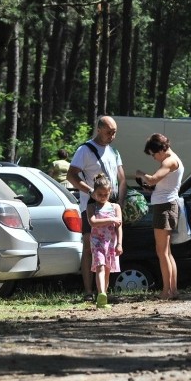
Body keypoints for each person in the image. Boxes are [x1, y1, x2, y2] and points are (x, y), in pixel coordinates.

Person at [67, 116, 127, 302]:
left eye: (115, 132)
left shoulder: (114, 152)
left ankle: (103, 291)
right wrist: (91, 191)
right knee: (89, 248)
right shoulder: (84, 150)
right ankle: (88, 291)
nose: (112, 135)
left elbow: (122, 179)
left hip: (111, 207)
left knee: (110, 248)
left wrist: (121, 203)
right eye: (109, 132)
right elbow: (71, 175)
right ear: (99, 129)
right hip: (90, 207)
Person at [134, 133, 184, 300]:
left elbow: (154, 179)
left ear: (161, 150)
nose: (154, 158)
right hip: (167, 204)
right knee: (167, 252)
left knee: (161, 252)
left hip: (165, 207)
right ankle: (173, 290)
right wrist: (151, 188)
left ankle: (166, 291)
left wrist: (141, 173)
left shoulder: (169, 161)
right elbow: (162, 184)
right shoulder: (172, 159)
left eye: (154, 154)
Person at [87, 174, 123, 309]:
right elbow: (93, 222)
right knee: (100, 266)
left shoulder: (115, 207)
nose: (102, 197)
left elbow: (119, 227)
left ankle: (104, 296)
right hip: (97, 242)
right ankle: (101, 293)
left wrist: (119, 243)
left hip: (111, 242)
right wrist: (111, 220)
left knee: (107, 269)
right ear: (94, 193)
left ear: (110, 192)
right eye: (99, 194)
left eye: (105, 194)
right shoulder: (92, 207)